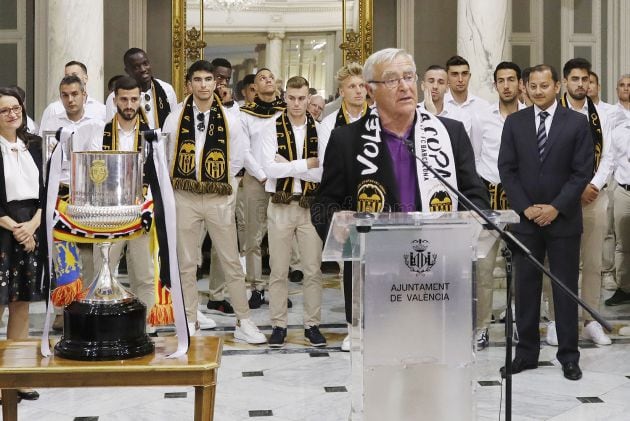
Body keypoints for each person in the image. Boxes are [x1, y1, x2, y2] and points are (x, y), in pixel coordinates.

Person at [313, 48, 489, 352]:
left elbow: (474, 195)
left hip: (439, 273)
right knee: (385, 376)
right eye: (392, 80)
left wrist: (476, 215)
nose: (405, 86)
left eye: (409, 77)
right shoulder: (347, 140)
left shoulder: (450, 133)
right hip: (377, 275)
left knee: (436, 367)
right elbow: (325, 203)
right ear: (371, 90)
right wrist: (337, 222)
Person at [498, 64, 593, 380]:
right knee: (526, 290)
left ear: (557, 86)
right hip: (526, 222)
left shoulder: (577, 123)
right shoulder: (514, 123)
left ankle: (569, 356)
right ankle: (526, 354)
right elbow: (507, 170)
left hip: (563, 220)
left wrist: (555, 207)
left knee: (564, 289)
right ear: (526, 88)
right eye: (533, 86)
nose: (539, 91)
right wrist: (526, 208)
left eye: (544, 85)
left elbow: (582, 172)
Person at [163, 59, 266, 343]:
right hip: (184, 196)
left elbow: (240, 156)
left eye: (209, 80)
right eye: (198, 80)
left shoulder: (232, 118)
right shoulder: (175, 117)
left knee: (231, 260)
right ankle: (190, 320)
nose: (204, 85)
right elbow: (167, 155)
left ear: (216, 83)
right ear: (189, 84)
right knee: (186, 262)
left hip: (219, 195)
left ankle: (243, 321)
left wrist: (227, 183)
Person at [261, 76, 328, 348]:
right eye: (292, 97)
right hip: (280, 204)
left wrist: (287, 164)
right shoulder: (270, 128)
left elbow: (322, 171)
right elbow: (269, 170)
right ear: (284, 96)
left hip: (310, 204)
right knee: (278, 270)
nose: (297, 103)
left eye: (302, 98)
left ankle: (312, 325)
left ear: (309, 98)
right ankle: (279, 325)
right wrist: (305, 164)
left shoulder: (320, 128)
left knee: (312, 269)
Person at [39, 75, 104, 331]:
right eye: (65, 95)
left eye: (75, 94)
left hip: (87, 194)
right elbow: (44, 158)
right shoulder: (52, 122)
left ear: (84, 94)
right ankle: (62, 308)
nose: (70, 99)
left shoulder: (98, 123)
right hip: (60, 191)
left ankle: (86, 303)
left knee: (88, 254)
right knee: (61, 254)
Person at [470, 61, 526, 350]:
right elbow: (475, 157)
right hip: (489, 196)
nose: (506, 85)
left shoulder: (529, 117)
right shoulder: (482, 117)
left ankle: (517, 322)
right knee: (484, 267)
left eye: (511, 79)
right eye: (501, 80)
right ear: (495, 85)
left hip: (520, 198)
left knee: (521, 266)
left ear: (520, 84)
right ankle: (482, 327)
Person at [557, 58, 613, 345]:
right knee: (559, 261)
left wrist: (592, 185)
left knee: (593, 262)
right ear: (565, 82)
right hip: (561, 199)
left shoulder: (601, 115)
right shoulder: (554, 113)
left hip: (594, 196)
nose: (581, 84)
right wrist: (573, 190)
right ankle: (557, 319)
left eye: (585, 79)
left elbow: (608, 157)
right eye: (575, 79)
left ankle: (591, 319)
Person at [93, 76, 156, 331]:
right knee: (103, 270)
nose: (129, 104)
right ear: (114, 100)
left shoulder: (152, 134)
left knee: (144, 274)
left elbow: (158, 175)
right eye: (124, 99)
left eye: (134, 99)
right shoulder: (99, 132)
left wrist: (150, 205)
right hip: (109, 212)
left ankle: (146, 325)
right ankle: (103, 322)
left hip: (141, 211)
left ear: (140, 99)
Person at [317, 62, 369, 352]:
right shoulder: (329, 124)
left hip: (374, 200)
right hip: (345, 203)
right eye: (352, 86)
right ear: (342, 91)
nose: (358, 91)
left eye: (362, 86)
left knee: (375, 270)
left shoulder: (378, 119)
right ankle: (353, 326)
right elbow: (329, 165)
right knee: (350, 269)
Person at [0, 87, 44, 401]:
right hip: (3, 227)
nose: (12, 114)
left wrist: (32, 227)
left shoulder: (36, 145)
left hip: (31, 225)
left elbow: (46, 192)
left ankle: (17, 377)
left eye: (16, 108)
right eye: (4, 110)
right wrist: (16, 228)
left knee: (22, 306)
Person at [239, 68, 285, 309]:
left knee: (280, 237)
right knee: (253, 237)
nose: (268, 79)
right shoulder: (245, 114)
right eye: (262, 78)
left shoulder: (286, 111)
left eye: (271, 77)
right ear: (254, 88)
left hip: (283, 180)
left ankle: (279, 288)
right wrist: (262, 175)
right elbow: (243, 150)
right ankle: (256, 287)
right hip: (256, 180)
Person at [106, 48, 178, 129]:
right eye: (136, 67)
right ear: (127, 71)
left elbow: (174, 124)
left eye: (145, 63)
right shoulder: (116, 96)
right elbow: (113, 130)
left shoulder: (167, 89)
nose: (143, 69)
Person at [39, 61, 106, 134]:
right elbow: (44, 141)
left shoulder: (101, 110)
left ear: (85, 78)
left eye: (74, 75)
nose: (70, 100)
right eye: (67, 76)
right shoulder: (53, 109)